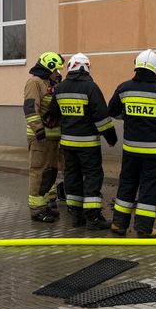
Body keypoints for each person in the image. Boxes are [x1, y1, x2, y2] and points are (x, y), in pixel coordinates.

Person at [108, 50, 156, 238]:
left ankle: (118, 224)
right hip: (153, 152)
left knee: (127, 183)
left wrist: (128, 116)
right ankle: (143, 228)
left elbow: (112, 110)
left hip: (130, 150)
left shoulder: (124, 88)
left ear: (136, 65)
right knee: (149, 187)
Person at [47, 53, 118, 229]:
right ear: (86, 68)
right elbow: (101, 118)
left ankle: (76, 216)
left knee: (72, 177)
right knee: (92, 176)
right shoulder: (90, 87)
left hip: (68, 145)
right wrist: (111, 138)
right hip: (88, 145)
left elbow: (51, 114)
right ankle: (93, 218)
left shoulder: (60, 88)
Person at [23, 51, 64, 223]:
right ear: (49, 68)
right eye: (56, 70)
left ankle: (45, 204)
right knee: (38, 173)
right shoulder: (34, 82)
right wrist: (39, 130)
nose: (58, 73)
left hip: (52, 139)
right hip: (40, 138)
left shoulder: (49, 83)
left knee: (49, 173)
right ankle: (36, 211)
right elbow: (30, 108)